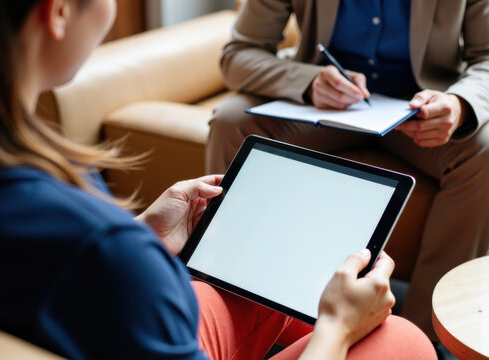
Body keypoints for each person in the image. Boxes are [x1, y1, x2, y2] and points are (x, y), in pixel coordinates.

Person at [0, 0, 437, 359]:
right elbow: (83, 259)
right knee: (402, 341)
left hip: (95, 314)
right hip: (119, 310)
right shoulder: (103, 250)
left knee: (254, 283)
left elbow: (32, 264)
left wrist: (143, 233)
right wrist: (335, 326)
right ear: (57, 11)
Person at [206, 0, 489, 340]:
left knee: (484, 147)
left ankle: (427, 335)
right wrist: (308, 81)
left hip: (419, 119)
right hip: (323, 109)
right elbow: (238, 53)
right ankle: (231, 299)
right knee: (230, 120)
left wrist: (459, 104)